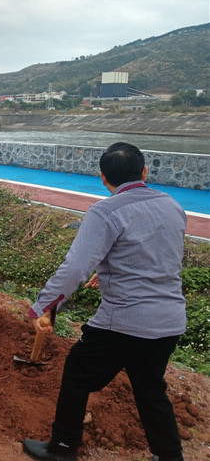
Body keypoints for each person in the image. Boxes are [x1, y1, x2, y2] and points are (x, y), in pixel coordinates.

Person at [22, 142, 187, 461]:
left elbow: (75, 267)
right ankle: (170, 456)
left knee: (77, 372)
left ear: (102, 178)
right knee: (151, 388)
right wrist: (111, 271)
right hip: (169, 322)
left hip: (126, 320)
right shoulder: (172, 206)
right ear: (144, 172)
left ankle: (63, 448)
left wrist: (43, 306)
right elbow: (158, 256)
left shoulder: (106, 211)